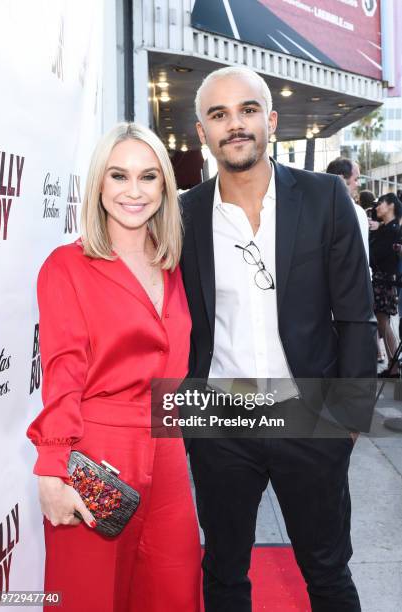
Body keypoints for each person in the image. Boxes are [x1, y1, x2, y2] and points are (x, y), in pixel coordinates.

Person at [180, 66, 376, 612]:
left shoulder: (324, 199)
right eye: (218, 114)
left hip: (309, 414)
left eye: (246, 110)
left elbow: (356, 317)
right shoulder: (183, 214)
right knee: (223, 573)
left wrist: (349, 417)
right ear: (202, 131)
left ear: (270, 120)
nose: (234, 124)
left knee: (328, 573)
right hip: (220, 418)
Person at [27, 122, 201, 612]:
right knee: (88, 597)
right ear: (98, 185)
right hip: (96, 455)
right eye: (118, 176)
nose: (133, 191)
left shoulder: (171, 264)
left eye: (148, 177)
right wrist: (52, 468)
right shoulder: (67, 266)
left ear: (164, 186)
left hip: (167, 451)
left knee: (174, 591)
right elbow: (63, 373)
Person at [369, 192, 402, 377]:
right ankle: (393, 365)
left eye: (381, 203)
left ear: (391, 206)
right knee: (383, 323)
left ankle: (394, 366)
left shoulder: (394, 230)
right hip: (383, 280)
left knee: (383, 322)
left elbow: (377, 255)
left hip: (385, 280)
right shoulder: (387, 228)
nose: (377, 206)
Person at [326, 157, 369, 261]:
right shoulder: (357, 212)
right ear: (341, 179)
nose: (358, 184)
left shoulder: (316, 210)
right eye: (356, 179)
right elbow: (363, 256)